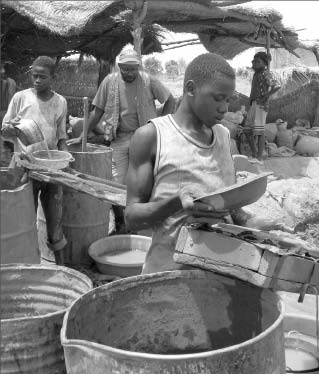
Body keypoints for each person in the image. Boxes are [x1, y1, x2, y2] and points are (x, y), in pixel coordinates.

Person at [125, 53, 247, 274]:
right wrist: (176, 202)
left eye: (228, 100)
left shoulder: (223, 136)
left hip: (221, 274)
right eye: (218, 98)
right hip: (168, 277)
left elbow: (230, 206)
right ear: (191, 89)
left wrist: (255, 224)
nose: (224, 108)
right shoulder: (152, 137)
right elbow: (132, 217)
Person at [69, 46, 175, 235]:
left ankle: (143, 225)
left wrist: (161, 125)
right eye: (125, 68)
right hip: (119, 137)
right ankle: (121, 223)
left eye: (133, 68)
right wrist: (83, 134)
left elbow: (170, 100)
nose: (129, 72)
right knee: (117, 182)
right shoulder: (110, 81)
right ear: (119, 66)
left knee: (144, 181)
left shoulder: (148, 80)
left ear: (138, 67)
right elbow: (97, 112)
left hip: (144, 138)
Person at [1, 56, 68, 265]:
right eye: (34, 76)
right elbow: (4, 130)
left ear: (53, 78)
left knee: (55, 224)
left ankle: (62, 269)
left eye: (42, 77)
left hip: (50, 170)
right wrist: (10, 128)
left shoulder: (60, 102)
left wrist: (66, 161)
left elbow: (62, 137)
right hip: (23, 167)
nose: (37, 80)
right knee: (23, 222)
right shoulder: (20, 98)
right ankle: (27, 265)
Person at [243, 51, 281, 164]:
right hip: (254, 104)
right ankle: (255, 154)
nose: (254, 64)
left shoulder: (265, 73)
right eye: (254, 61)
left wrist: (265, 96)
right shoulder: (256, 74)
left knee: (259, 132)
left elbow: (277, 85)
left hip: (261, 105)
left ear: (264, 64)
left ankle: (259, 158)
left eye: (258, 62)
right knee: (247, 130)